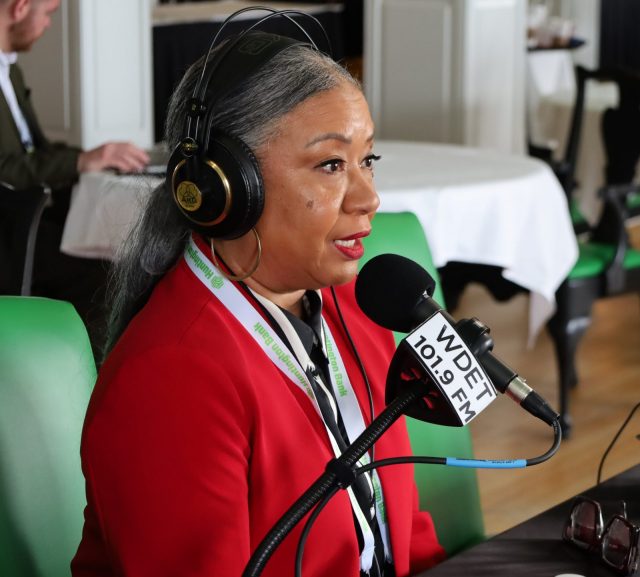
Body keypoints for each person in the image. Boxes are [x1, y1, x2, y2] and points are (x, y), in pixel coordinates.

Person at [70, 29, 445, 577]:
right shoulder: (170, 374)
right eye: (331, 165)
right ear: (230, 186)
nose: (369, 197)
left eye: (368, 159)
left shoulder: (358, 306)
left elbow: (402, 526)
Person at [0, 0, 148, 353]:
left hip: (35, 214)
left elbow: (35, 150)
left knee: (125, 243)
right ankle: (93, 375)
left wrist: (95, 158)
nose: (48, 24)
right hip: (10, 229)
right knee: (106, 274)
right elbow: (5, 170)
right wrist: (82, 160)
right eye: (48, 13)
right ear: (20, 8)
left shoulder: (11, 71)